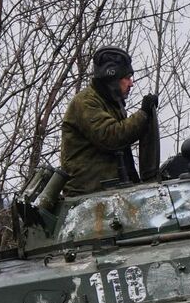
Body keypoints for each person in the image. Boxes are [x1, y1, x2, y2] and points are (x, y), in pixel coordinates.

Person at [60, 46, 157, 193]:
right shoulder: (86, 102)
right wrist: (142, 114)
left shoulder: (111, 104)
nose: (131, 83)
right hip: (88, 195)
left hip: (107, 192)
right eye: (127, 78)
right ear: (112, 77)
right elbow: (111, 136)